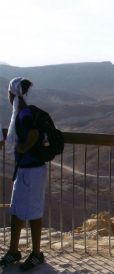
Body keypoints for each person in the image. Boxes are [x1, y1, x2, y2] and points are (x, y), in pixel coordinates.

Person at [0, 77, 47, 271]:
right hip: (27, 170)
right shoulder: (24, 111)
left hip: (32, 170)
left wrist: (21, 148)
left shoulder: (24, 114)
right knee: (17, 210)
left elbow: (35, 134)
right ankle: (14, 250)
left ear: (11, 94)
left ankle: (37, 253)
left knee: (33, 212)